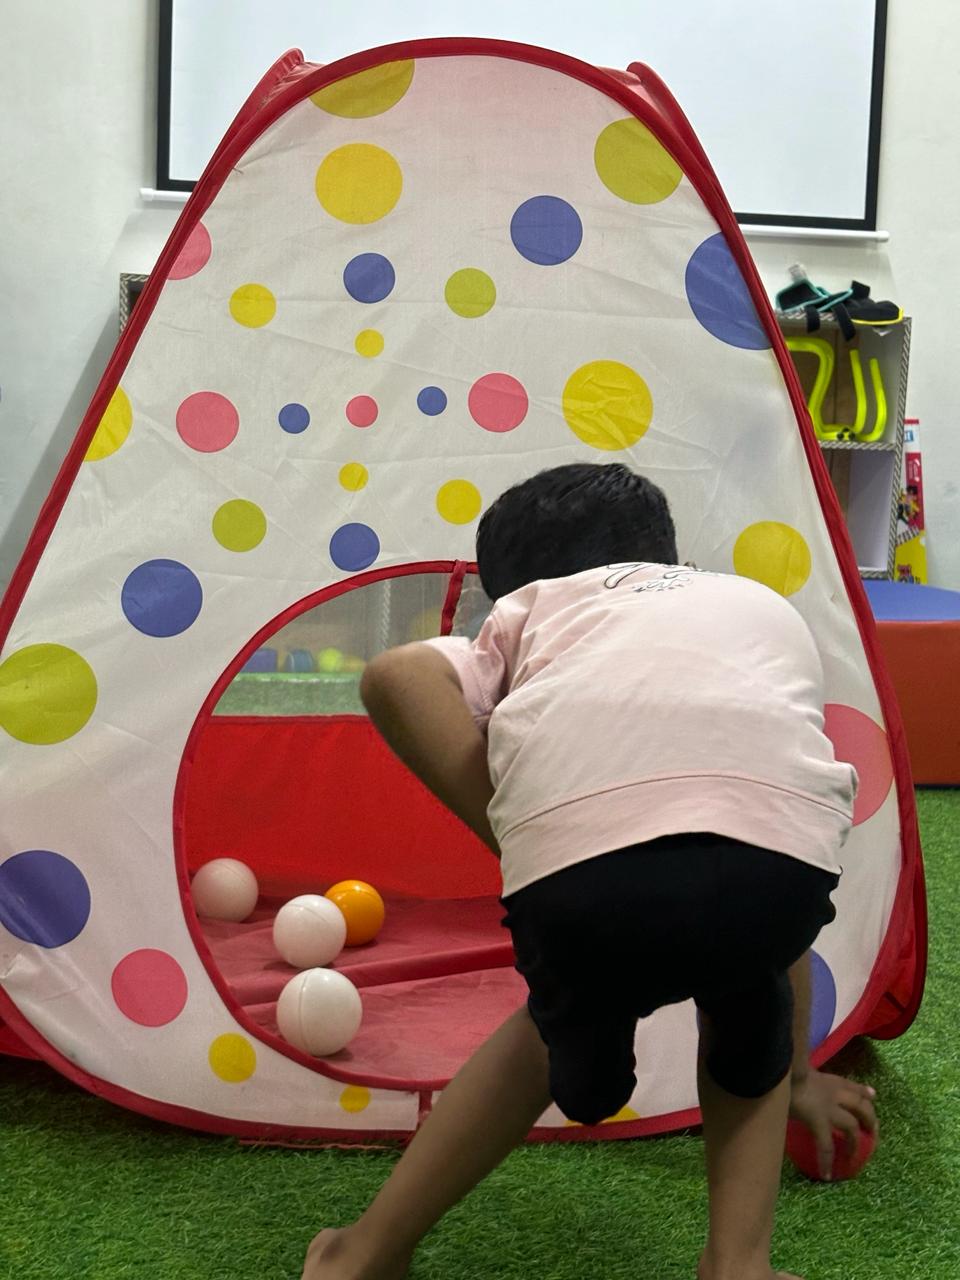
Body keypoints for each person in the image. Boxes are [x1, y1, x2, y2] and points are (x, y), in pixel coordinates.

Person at [302, 463, 878, 1280]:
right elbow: (757, 835)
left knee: (561, 1038)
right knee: (750, 982)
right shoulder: (753, 605)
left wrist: (518, 826)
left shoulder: (537, 609)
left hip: (585, 900)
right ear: (668, 556)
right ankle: (738, 1268)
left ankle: (362, 1254)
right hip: (779, 875)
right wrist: (800, 1078)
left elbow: (393, 676)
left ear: (510, 588)